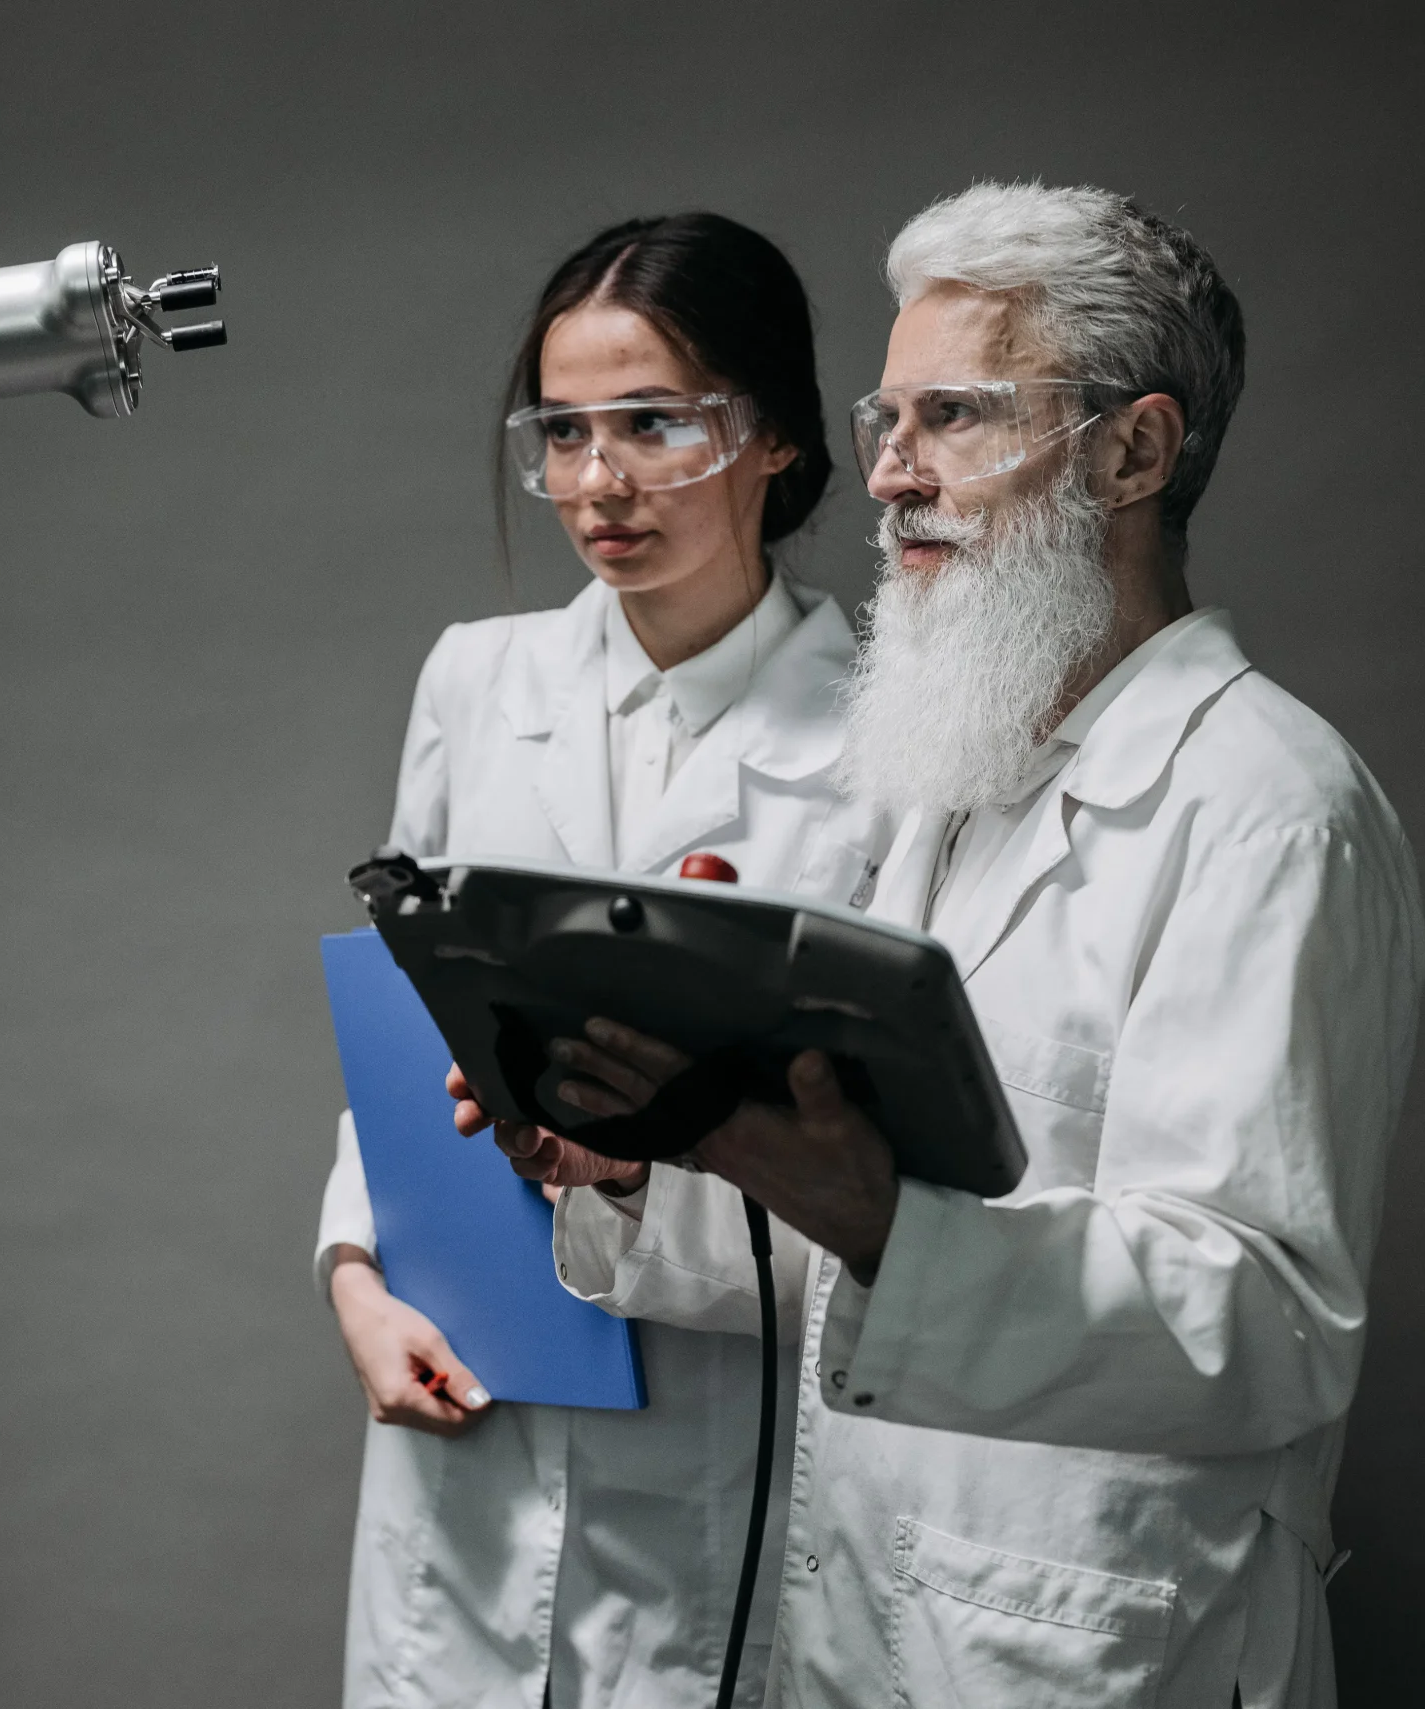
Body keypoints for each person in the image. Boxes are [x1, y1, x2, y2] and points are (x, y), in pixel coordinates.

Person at [475, 182, 1425, 1706]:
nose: (897, 476)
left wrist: (884, 1228)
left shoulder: (1265, 805)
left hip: (1098, 1645)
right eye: (888, 419)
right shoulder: (956, 789)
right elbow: (855, 1219)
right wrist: (645, 1158)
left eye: (961, 418)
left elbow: (1265, 1320)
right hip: (873, 1622)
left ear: (1135, 451)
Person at [315, 213, 887, 1709]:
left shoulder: (888, 734)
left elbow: (892, 1162)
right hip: (475, 1411)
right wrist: (359, 1281)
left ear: (771, 437)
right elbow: (401, 1015)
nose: (597, 483)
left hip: (724, 1428)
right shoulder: (477, 679)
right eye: (563, 433)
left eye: (652, 425)